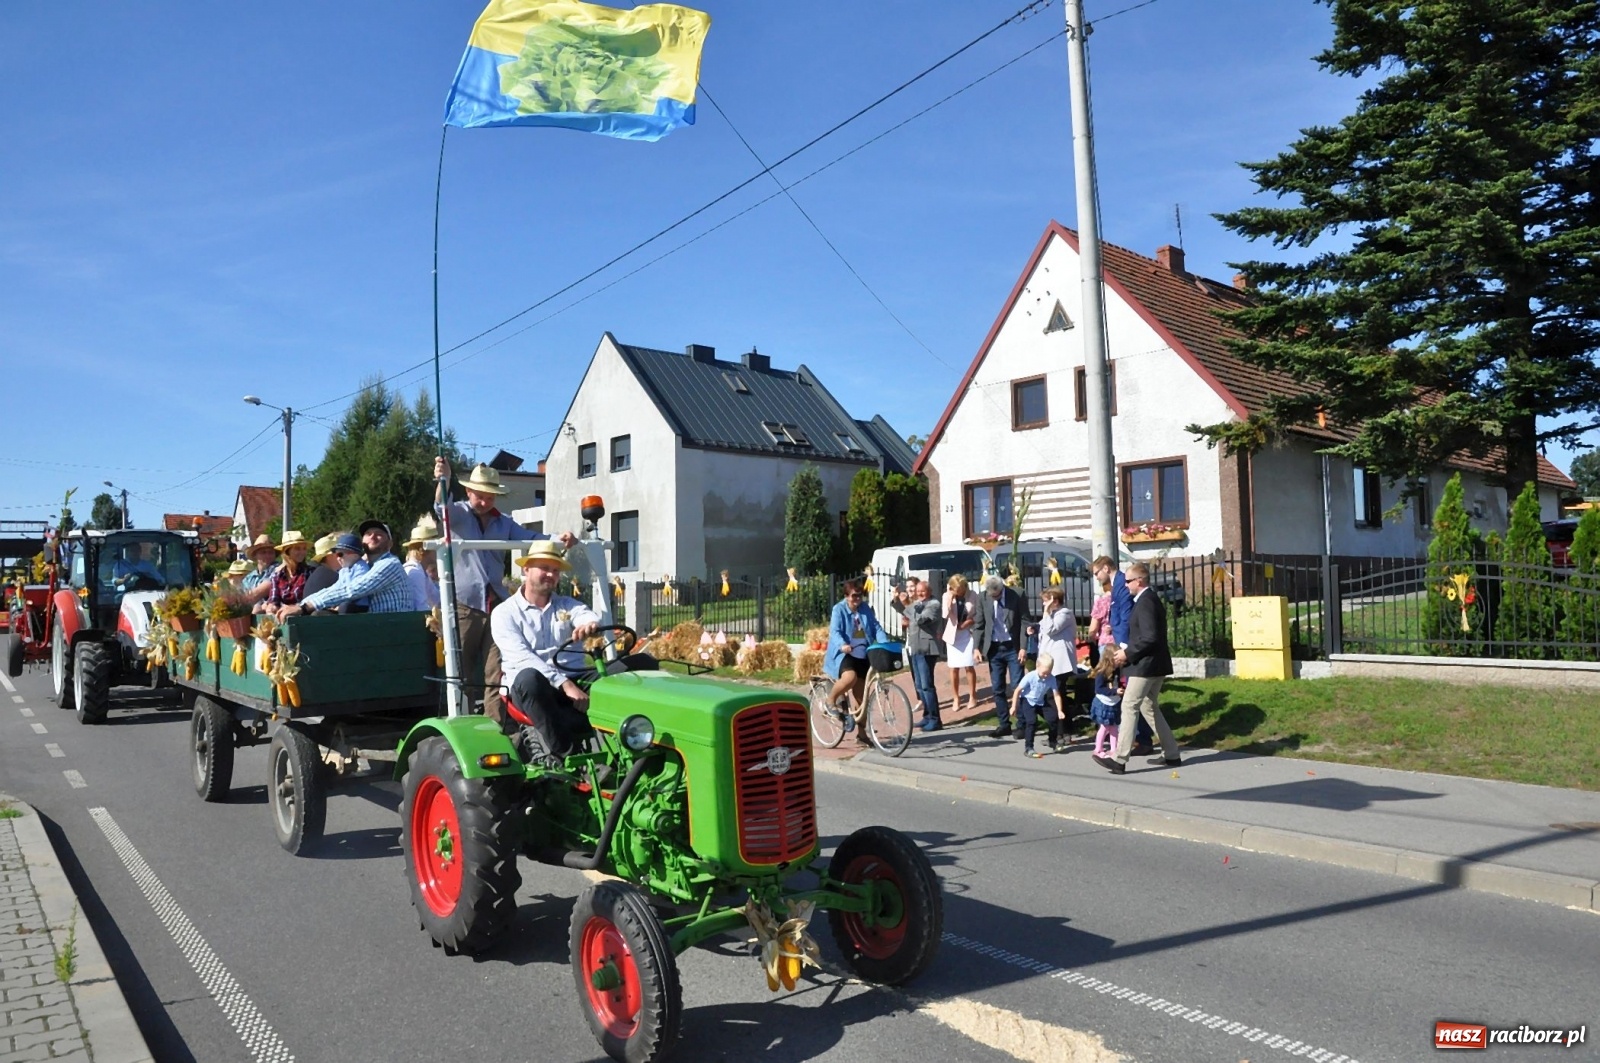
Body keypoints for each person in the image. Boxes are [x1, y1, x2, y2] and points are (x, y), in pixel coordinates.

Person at [433, 456, 577, 726]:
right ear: (469, 492)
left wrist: (559, 539)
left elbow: (532, 539)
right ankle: (461, 725)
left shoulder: (504, 523)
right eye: (480, 496)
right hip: (464, 604)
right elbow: (442, 509)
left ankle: (496, 728)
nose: (485, 501)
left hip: (496, 604)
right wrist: (443, 479)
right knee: (460, 670)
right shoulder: (459, 515)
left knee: (496, 671)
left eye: (490, 497)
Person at [492, 540, 600, 766]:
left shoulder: (567, 605)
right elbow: (522, 658)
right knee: (530, 678)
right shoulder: (504, 614)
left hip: (573, 677)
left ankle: (635, 743)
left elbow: (585, 615)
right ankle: (569, 758)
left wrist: (588, 624)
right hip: (532, 689)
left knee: (634, 669)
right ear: (526, 569)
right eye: (544, 568)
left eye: (555, 570)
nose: (550, 574)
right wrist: (565, 684)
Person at [1094, 562, 1181, 774]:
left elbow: (1150, 637)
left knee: (1129, 706)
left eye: (1129, 581)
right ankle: (1172, 754)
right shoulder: (1145, 600)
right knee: (1148, 706)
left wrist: (1128, 653)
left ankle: (1119, 758)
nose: (1126, 585)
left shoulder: (1146, 602)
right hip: (1153, 664)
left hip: (1146, 666)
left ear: (1139, 581)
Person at [277, 521, 413, 618]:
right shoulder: (365, 566)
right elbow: (337, 588)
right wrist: (301, 605)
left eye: (379, 534)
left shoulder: (390, 564)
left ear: (390, 543)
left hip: (394, 632)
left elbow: (355, 589)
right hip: (378, 629)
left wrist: (306, 607)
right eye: (368, 533)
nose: (372, 536)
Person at [1089, 556, 1153, 756]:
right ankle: (1136, 737)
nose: (1097, 578)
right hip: (1119, 640)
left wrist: (1123, 646)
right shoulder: (1117, 584)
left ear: (1106, 568)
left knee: (1131, 694)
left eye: (1097, 573)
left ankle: (1142, 739)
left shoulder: (1121, 584)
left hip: (1124, 644)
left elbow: (1124, 617)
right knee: (1131, 694)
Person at [823, 579, 889, 744]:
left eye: (860, 595)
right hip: (845, 654)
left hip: (863, 654)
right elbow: (835, 631)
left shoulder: (864, 608)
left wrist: (884, 642)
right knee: (850, 678)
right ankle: (830, 700)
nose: (857, 599)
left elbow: (876, 627)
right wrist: (843, 645)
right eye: (854, 596)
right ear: (846, 596)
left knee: (862, 697)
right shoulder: (839, 609)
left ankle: (862, 735)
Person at [975, 574, 1026, 738]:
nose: (994, 598)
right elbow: (979, 624)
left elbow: (1025, 621)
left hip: (1013, 647)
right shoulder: (983, 598)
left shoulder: (1017, 594)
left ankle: (1022, 724)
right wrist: (977, 647)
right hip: (994, 648)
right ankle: (1004, 724)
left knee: (1017, 686)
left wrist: (1023, 647)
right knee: (997, 688)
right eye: (991, 595)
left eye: (996, 595)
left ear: (1002, 588)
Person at [891, 579, 944, 731]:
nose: (919, 593)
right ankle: (927, 716)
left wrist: (909, 606)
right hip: (915, 647)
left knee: (927, 685)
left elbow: (920, 619)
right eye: (918, 591)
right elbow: (904, 610)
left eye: (922, 591)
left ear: (929, 591)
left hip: (927, 649)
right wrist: (896, 600)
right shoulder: (917, 604)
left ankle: (935, 720)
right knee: (920, 686)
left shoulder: (934, 605)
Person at [1036, 586, 1076, 746]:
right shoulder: (1051, 615)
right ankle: (1065, 730)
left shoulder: (1064, 614)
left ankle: (1058, 733)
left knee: (1053, 697)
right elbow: (1044, 629)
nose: (1043, 604)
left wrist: (1046, 611)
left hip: (1059, 664)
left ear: (1055, 601)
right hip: (1049, 662)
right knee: (1057, 697)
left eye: (1046, 601)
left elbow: (1051, 629)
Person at [940, 574, 980, 714]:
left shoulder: (973, 595)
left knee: (969, 665)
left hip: (967, 633)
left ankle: (972, 696)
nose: (959, 592)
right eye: (956, 589)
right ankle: (956, 698)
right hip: (953, 635)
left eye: (961, 589)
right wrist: (950, 600)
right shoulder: (946, 596)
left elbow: (977, 613)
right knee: (954, 668)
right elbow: (945, 615)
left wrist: (970, 621)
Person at [1009, 651, 1059, 759]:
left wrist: (1060, 710)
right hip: (1027, 700)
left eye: (1048, 673)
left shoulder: (1052, 678)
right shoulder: (1030, 677)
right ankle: (1029, 748)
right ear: (1037, 666)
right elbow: (1017, 691)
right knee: (1031, 722)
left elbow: (1056, 695)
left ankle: (1052, 741)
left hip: (1040, 701)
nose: (1046, 676)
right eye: (1044, 673)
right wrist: (1013, 706)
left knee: (1053, 718)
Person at [259, 531, 313, 614]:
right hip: (283, 617)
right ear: (287, 552)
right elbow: (274, 600)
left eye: (304, 549)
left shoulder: (310, 573)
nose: (302, 552)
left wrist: (292, 608)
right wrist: (272, 607)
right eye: (297, 548)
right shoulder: (277, 575)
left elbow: (311, 601)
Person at [402, 515, 441, 610]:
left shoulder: (422, 572)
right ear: (425, 549)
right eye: (436, 547)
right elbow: (421, 608)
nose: (439, 550)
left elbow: (438, 600)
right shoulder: (415, 572)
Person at [1089, 652, 1123, 758]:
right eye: (1117, 660)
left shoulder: (1117, 670)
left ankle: (1114, 749)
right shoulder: (1101, 673)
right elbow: (1099, 689)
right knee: (1104, 727)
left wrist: (1121, 689)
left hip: (1114, 702)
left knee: (1114, 727)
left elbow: (1119, 683)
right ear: (1110, 659)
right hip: (1104, 703)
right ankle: (1098, 748)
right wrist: (1114, 691)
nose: (1119, 661)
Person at [301, 533, 343, 597]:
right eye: (340, 554)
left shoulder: (320, 572)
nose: (342, 557)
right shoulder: (332, 576)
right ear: (329, 556)